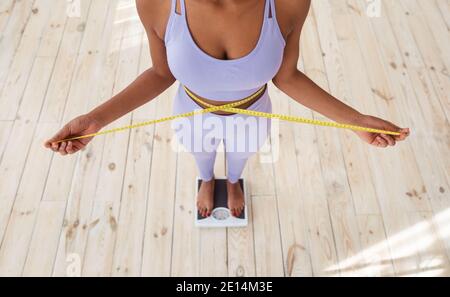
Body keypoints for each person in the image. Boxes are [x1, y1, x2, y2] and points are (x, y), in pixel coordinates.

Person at [44, 0, 410, 218]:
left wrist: (356, 121)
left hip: (254, 113)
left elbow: (287, 77)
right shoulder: (156, 2)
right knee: (201, 157)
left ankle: (232, 183)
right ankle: (206, 181)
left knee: (239, 159)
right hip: (191, 111)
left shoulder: (288, 3)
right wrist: (94, 120)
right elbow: (161, 72)